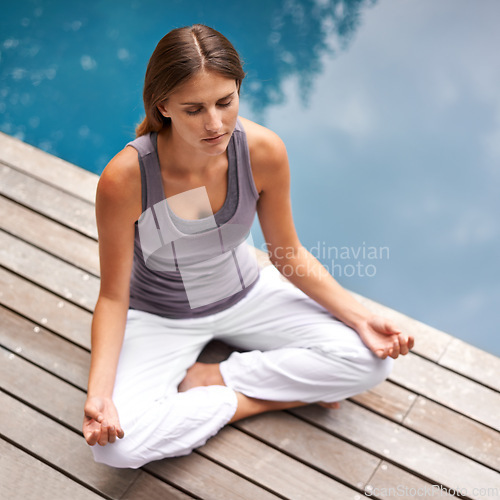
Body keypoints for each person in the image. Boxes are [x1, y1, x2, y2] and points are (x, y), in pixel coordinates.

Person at [82, 24, 414, 469]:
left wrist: (362, 316)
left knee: (370, 362)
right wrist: (99, 395)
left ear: (238, 89)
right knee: (116, 448)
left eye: (225, 101)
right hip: (161, 317)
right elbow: (113, 295)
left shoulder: (262, 151)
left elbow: (287, 253)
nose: (215, 123)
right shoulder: (126, 178)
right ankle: (261, 397)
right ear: (163, 106)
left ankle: (215, 379)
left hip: (247, 294)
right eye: (194, 108)